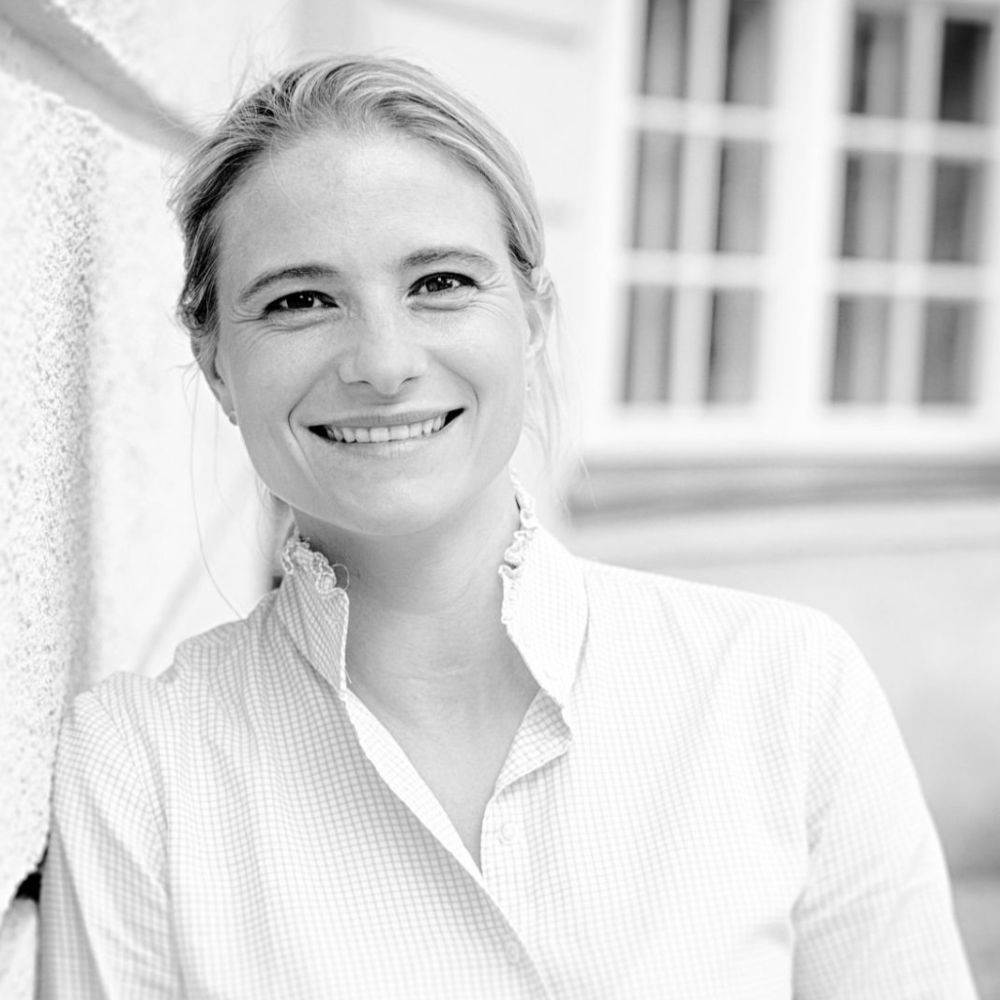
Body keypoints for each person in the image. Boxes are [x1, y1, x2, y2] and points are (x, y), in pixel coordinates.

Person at [39, 57, 977, 999]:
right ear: (215, 364)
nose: (383, 363)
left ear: (531, 320)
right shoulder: (139, 767)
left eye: (440, 282)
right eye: (299, 301)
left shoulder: (787, 689)